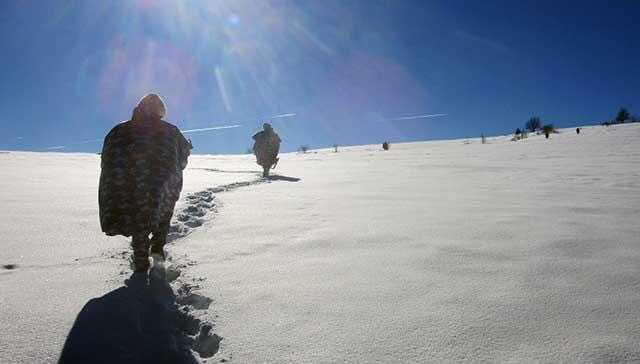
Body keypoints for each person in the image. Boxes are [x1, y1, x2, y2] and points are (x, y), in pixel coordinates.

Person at [99, 94, 192, 273]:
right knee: (163, 216)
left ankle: (141, 263)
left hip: (130, 186)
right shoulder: (171, 131)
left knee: (139, 222)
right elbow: (183, 157)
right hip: (165, 185)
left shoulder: (119, 130)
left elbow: (108, 161)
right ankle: (157, 251)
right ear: (160, 110)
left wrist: (115, 186)